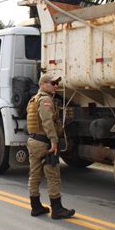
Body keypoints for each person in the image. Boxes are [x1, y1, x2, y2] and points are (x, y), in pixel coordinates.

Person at [26, 74, 75, 219]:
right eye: (52, 83)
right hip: (45, 143)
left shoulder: (33, 100)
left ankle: (36, 207)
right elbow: (47, 122)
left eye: (56, 83)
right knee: (53, 176)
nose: (55, 86)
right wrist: (54, 141)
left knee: (34, 175)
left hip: (33, 141)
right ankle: (57, 209)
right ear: (42, 85)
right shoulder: (46, 100)